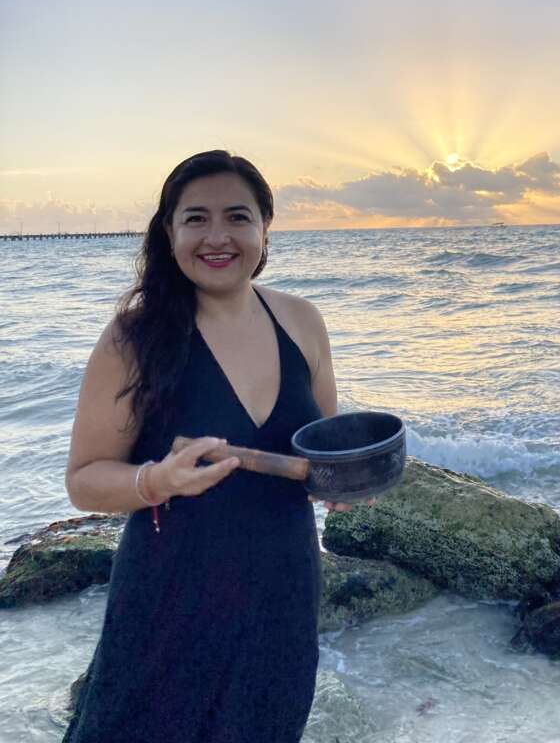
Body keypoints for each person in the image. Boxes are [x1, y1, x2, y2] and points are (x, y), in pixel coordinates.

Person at [62, 149, 356, 743]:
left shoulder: (303, 322)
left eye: (237, 217)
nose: (217, 236)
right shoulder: (133, 339)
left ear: (264, 228)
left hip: (283, 595)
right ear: (168, 231)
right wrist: (156, 481)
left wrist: (351, 481)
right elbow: (83, 480)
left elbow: (321, 456)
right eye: (196, 218)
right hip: (169, 597)